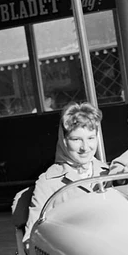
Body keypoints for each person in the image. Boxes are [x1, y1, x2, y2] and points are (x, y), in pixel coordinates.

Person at [23, 102, 108, 247]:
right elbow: (32, 237)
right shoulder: (48, 182)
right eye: (76, 139)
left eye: (91, 138)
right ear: (64, 141)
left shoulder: (109, 173)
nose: (85, 147)